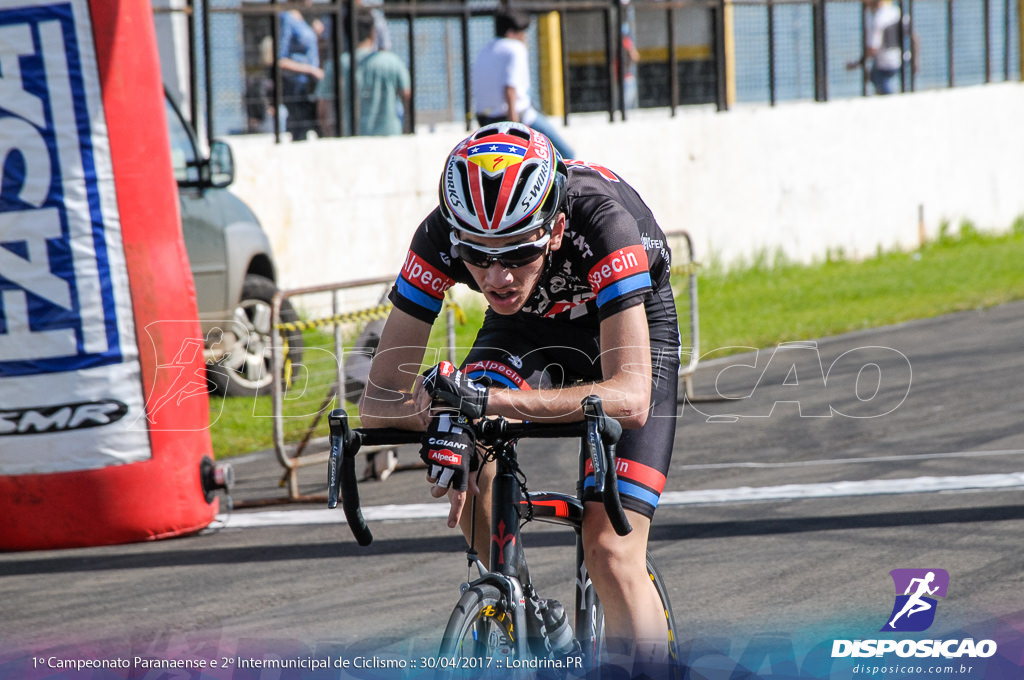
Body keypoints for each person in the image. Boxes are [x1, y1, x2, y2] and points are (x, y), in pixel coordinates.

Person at [358, 122, 680, 675]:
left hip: (625, 325)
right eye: (477, 258)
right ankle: (522, 605)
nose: (497, 276)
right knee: (464, 442)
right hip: (523, 330)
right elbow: (381, 400)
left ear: (553, 231)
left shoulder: (603, 221)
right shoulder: (441, 234)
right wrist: (445, 417)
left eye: (516, 253)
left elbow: (629, 398)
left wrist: (481, 405)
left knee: (610, 552)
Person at [471, 10, 576, 159]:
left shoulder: (484, 51)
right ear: (510, 32)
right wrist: (514, 129)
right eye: (521, 31)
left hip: (486, 121)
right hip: (517, 118)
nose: (525, 36)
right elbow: (510, 89)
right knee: (566, 154)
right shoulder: (515, 48)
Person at [316, 8, 411, 137]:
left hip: (351, 138)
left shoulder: (336, 66)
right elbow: (407, 96)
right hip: (390, 137)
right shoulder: (392, 61)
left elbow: (323, 109)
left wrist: (331, 135)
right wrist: (407, 129)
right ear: (373, 33)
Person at [846, 0, 919, 95]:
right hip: (903, 58)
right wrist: (915, 60)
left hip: (886, 62)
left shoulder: (878, 18)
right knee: (875, 76)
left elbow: (872, 48)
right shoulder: (897, 12)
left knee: (878, 78)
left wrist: (858, 63)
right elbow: (914, 38)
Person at [278, 5, 324, 140]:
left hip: (310, 87)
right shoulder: (287, 19)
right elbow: (281, 60)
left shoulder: (305, 17)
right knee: (300, 133)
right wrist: (311, 70)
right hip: (296, 87)